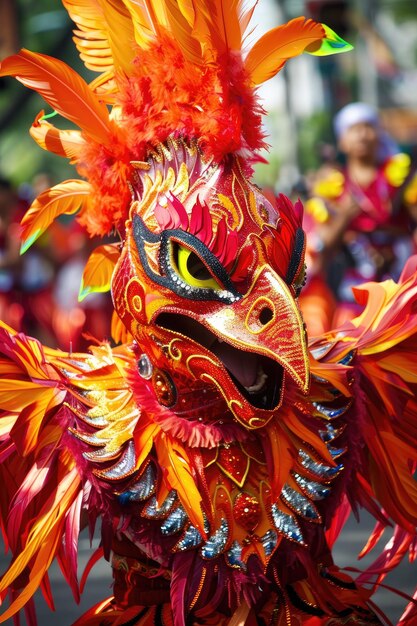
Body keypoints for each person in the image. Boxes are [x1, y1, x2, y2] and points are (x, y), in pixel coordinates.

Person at [2, 3, 417, 626]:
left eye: (281, 272)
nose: (274, 321)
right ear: (130, 276)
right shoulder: (74, 420)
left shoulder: (334, 394)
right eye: (195, 270)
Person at [308, 101, 417, 325]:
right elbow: (324, 244)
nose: (362, 134)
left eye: (368, 126)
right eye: (353, 129)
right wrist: (345, 216)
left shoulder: (399, 174)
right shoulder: (333, 185)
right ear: (342, 141)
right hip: (355, 293)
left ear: (378, 134)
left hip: (401, 286)